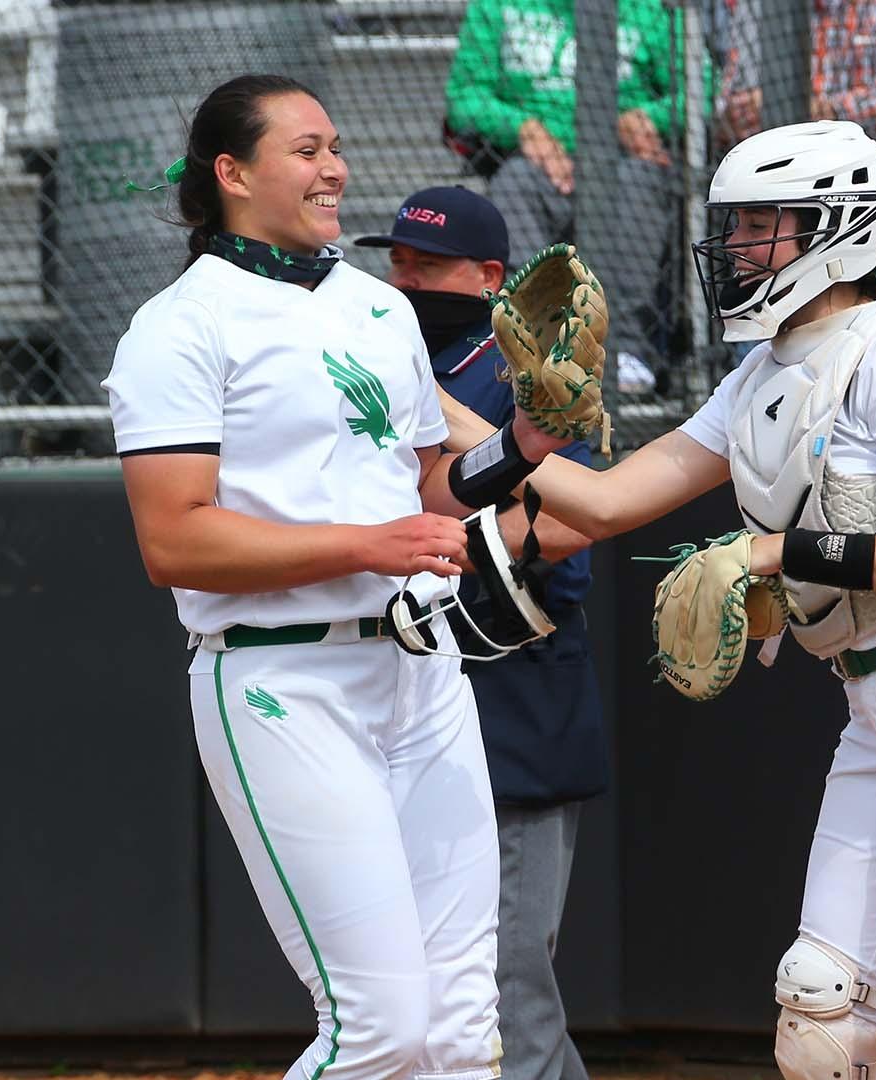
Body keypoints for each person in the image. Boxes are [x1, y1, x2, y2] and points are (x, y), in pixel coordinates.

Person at [445, 120, 876, 1080]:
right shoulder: (759, 372)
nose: (736, 248)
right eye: (734, 226)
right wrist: (461, 418)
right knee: (823, 1020)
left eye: (761, 225)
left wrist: (769, 550)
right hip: (874, 705)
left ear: (840, 228)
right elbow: (609, 503)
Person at [103, 75, 575, 1080]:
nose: (334, 169)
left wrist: (523, 445)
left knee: (457, 1031)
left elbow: (427, 490)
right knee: (379, 1031)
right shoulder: (180, 326)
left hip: (418, 671)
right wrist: (368, 545)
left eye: (334, 147)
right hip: (283, 682)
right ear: (232, 173)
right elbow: (174, 543)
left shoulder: (373, 305)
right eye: (307, 149)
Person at [356, 184, 609, 1080]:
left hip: (511, 701)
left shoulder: (524, 380)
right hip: (397, 695)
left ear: (489, 275)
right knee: (411, 988)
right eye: (395, 260)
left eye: (426, 264)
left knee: (505, 984)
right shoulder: (373, 364)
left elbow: (569, 542)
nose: (404, 278)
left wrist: (432, 545)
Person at [444, 0, 687, 390]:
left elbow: (702, 86)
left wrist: (648, 117)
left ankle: (624, 351)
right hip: (539, 167)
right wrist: (522, 127)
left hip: (626, 161)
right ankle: (536, 347)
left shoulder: (645, 7)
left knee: (640, 180)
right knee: (515, 182)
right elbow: (464, 98)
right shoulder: (497, 6)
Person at [712, 0, 876, 236]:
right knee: (733, 191)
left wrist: (820, 109)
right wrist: (744, 110)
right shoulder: (760, 5)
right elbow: (730, 99)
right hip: (777, 163)